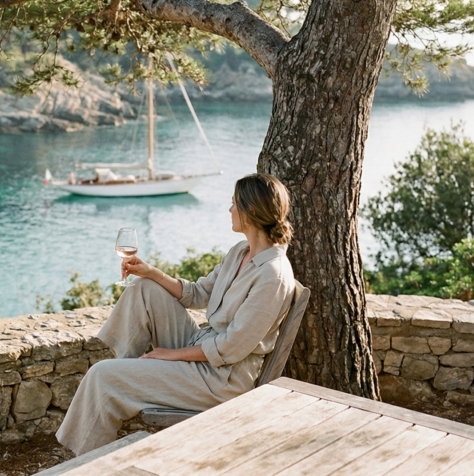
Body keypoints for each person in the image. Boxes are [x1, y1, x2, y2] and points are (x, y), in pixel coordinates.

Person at [55, 173, 297, 456]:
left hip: (221, 379)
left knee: (102, 376)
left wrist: (168, 355)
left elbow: (231, 348)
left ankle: (87, 462)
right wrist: (151, 272)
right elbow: (198, 293)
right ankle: (132, 376)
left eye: (234, 204)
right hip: (202, 346)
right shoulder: (240, 251)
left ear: (251, 211)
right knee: (144, 288)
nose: (229, 210)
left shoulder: (273, 276)